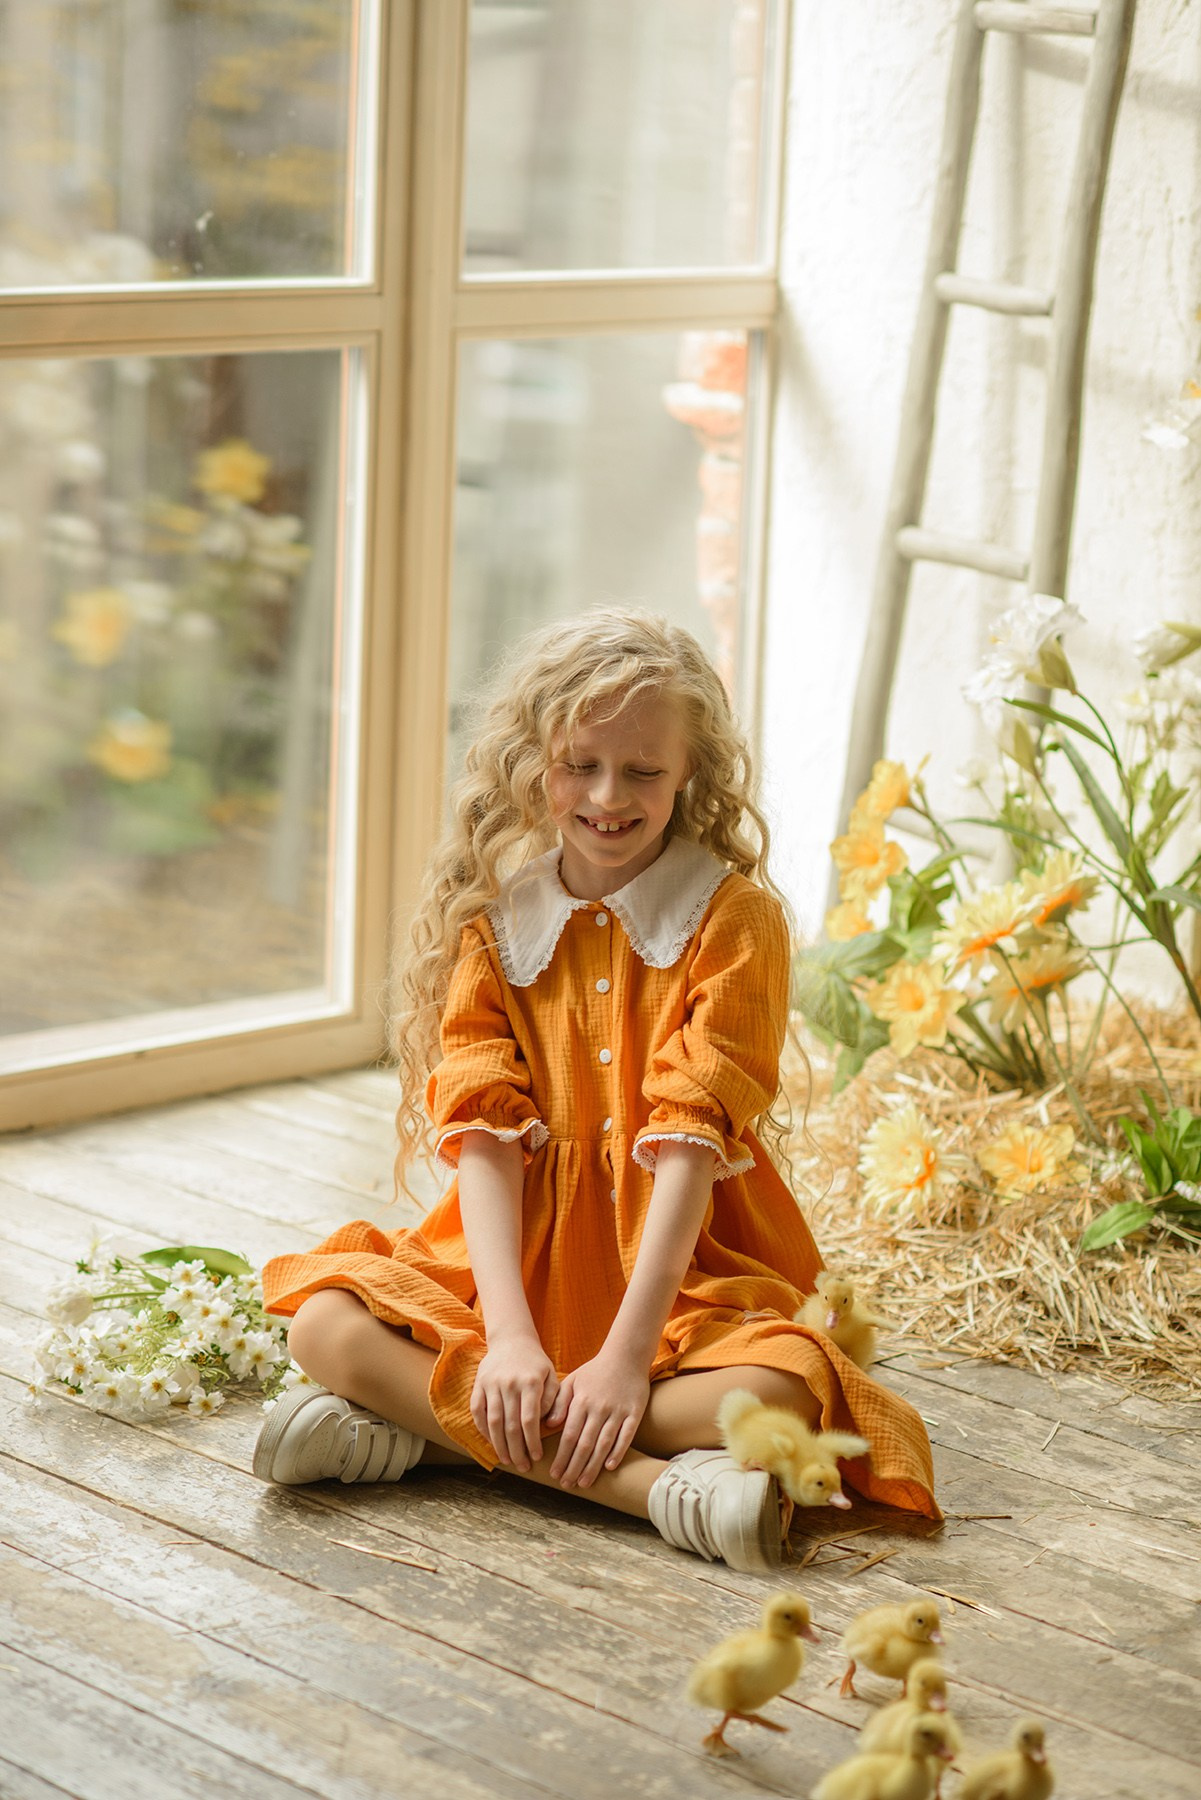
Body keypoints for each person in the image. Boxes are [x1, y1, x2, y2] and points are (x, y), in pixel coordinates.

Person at [253, 609, 937, 1568]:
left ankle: (422, 1431)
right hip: (512, 1273)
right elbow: (484, 1144)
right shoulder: (494, 918)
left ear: (691, 773)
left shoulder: (735, 920)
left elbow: (692, 1149)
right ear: (534, 761)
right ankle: (653, 1490)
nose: (609, 796)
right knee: (322, 1324)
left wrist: (620, 1360)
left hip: (676, 1268)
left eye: (644, 771)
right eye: (581, 764)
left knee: (782, 1391)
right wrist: (506, 1343)